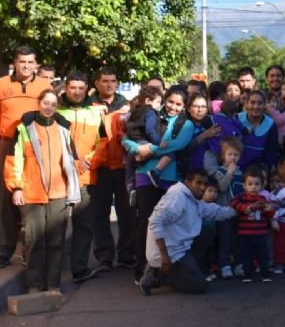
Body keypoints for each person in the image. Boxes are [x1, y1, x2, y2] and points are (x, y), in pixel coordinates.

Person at [5, 89, 81, 293]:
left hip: (59, 194)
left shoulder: (63, 129)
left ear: (57, 107)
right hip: (31, 194)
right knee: (33, 241)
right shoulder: (23, 129)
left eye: (53, 104)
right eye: (45, 103)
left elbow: (71, 161)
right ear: (39, 103)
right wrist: (17, 187)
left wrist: (73, 191)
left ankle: (53, 284)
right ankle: (35, 284)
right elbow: (14, 159)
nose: (49, 107)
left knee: (56, 242)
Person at [124, 86, 195, 280]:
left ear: (184, 106)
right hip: (146, 175)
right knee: (145, 223)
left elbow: (178, 145)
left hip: (172, 179)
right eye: (170, 102)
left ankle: (163, 270)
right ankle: (142, 271)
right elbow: (128, 139)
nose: (173, 107)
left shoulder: (187, 125)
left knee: (168, 225)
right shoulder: (151, 115)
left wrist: (150, 150)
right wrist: (138, 149)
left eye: (178, 104)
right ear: (164, 100)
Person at [0, 46, 51, 268]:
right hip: (8, 144)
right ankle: (4, 252)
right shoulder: (0, 85)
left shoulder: (44, 86)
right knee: (7, 200)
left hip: (35, 145)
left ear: (36, 64)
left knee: (32, 198)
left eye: (30, 62)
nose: (26, 66)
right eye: (22, 62)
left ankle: (30, 250)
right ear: (14, 63)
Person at [140, 170, 236, 295]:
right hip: (167, 253)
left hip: (181, 249)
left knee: (207, 229)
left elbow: (216, 212)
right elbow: (155, 222)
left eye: (205, 184)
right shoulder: (177, 197)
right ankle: (158, 274)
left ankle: (187, 270)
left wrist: (245, 208)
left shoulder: (194, 200)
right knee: (199, 286)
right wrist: (164, 255)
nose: (202, 187)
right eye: (198, 183)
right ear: (187, 182)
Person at [57, 72, 105, 283]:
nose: (76, 92)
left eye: (80, 88)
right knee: (56, 226)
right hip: (60, 177)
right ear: (66, 88)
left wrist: (89, 159)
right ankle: (54, 271)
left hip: (86, 175)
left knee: (84, 225)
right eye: (72, 87)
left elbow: (103, 142)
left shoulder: (95, 113)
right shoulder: (56, 111)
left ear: (87, 88)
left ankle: (79, 268)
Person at [88, 67, 135, 272]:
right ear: (97, 83)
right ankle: (104, 257)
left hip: (123, 167)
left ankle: (125, 254)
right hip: (99, 167)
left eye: (112, 81)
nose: (109, 84)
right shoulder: (88, 106)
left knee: (126, 213)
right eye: (105, 81)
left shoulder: (126, 106)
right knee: (100, 214)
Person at [230, 168, 275, 283]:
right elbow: (233, 202)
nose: (253, 187)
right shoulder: (242, 197)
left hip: (261, 234)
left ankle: (265, 274)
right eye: (250, 184)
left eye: (257, 184)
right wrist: (247, 208)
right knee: (246, 256)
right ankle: (247, 274)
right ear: (244, 185)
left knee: (263, 255)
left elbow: (270, 214)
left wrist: (269, 210)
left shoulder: (263, 199)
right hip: (245, 234)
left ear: (262, 185)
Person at [212, 136, 244, 279]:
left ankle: (238, 264)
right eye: (230, 154)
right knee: (224, 238)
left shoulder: (241, 172)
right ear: (223, 156)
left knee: (237, 238)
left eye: (236, 155)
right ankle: (225, 265)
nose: (233, 158)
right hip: (224, 210)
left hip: (238, 211)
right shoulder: (220, 172)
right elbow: (222, 187)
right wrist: (229, 172)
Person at [237, 90, 278, 171]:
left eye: (260, 103)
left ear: (264, 105)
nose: (256, 106)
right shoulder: (237, 119)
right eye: (252, 102)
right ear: (247, 104)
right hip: (236, 168)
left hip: (258, 171)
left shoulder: (270, 124)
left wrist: (265, 172)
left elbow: (270, 153)